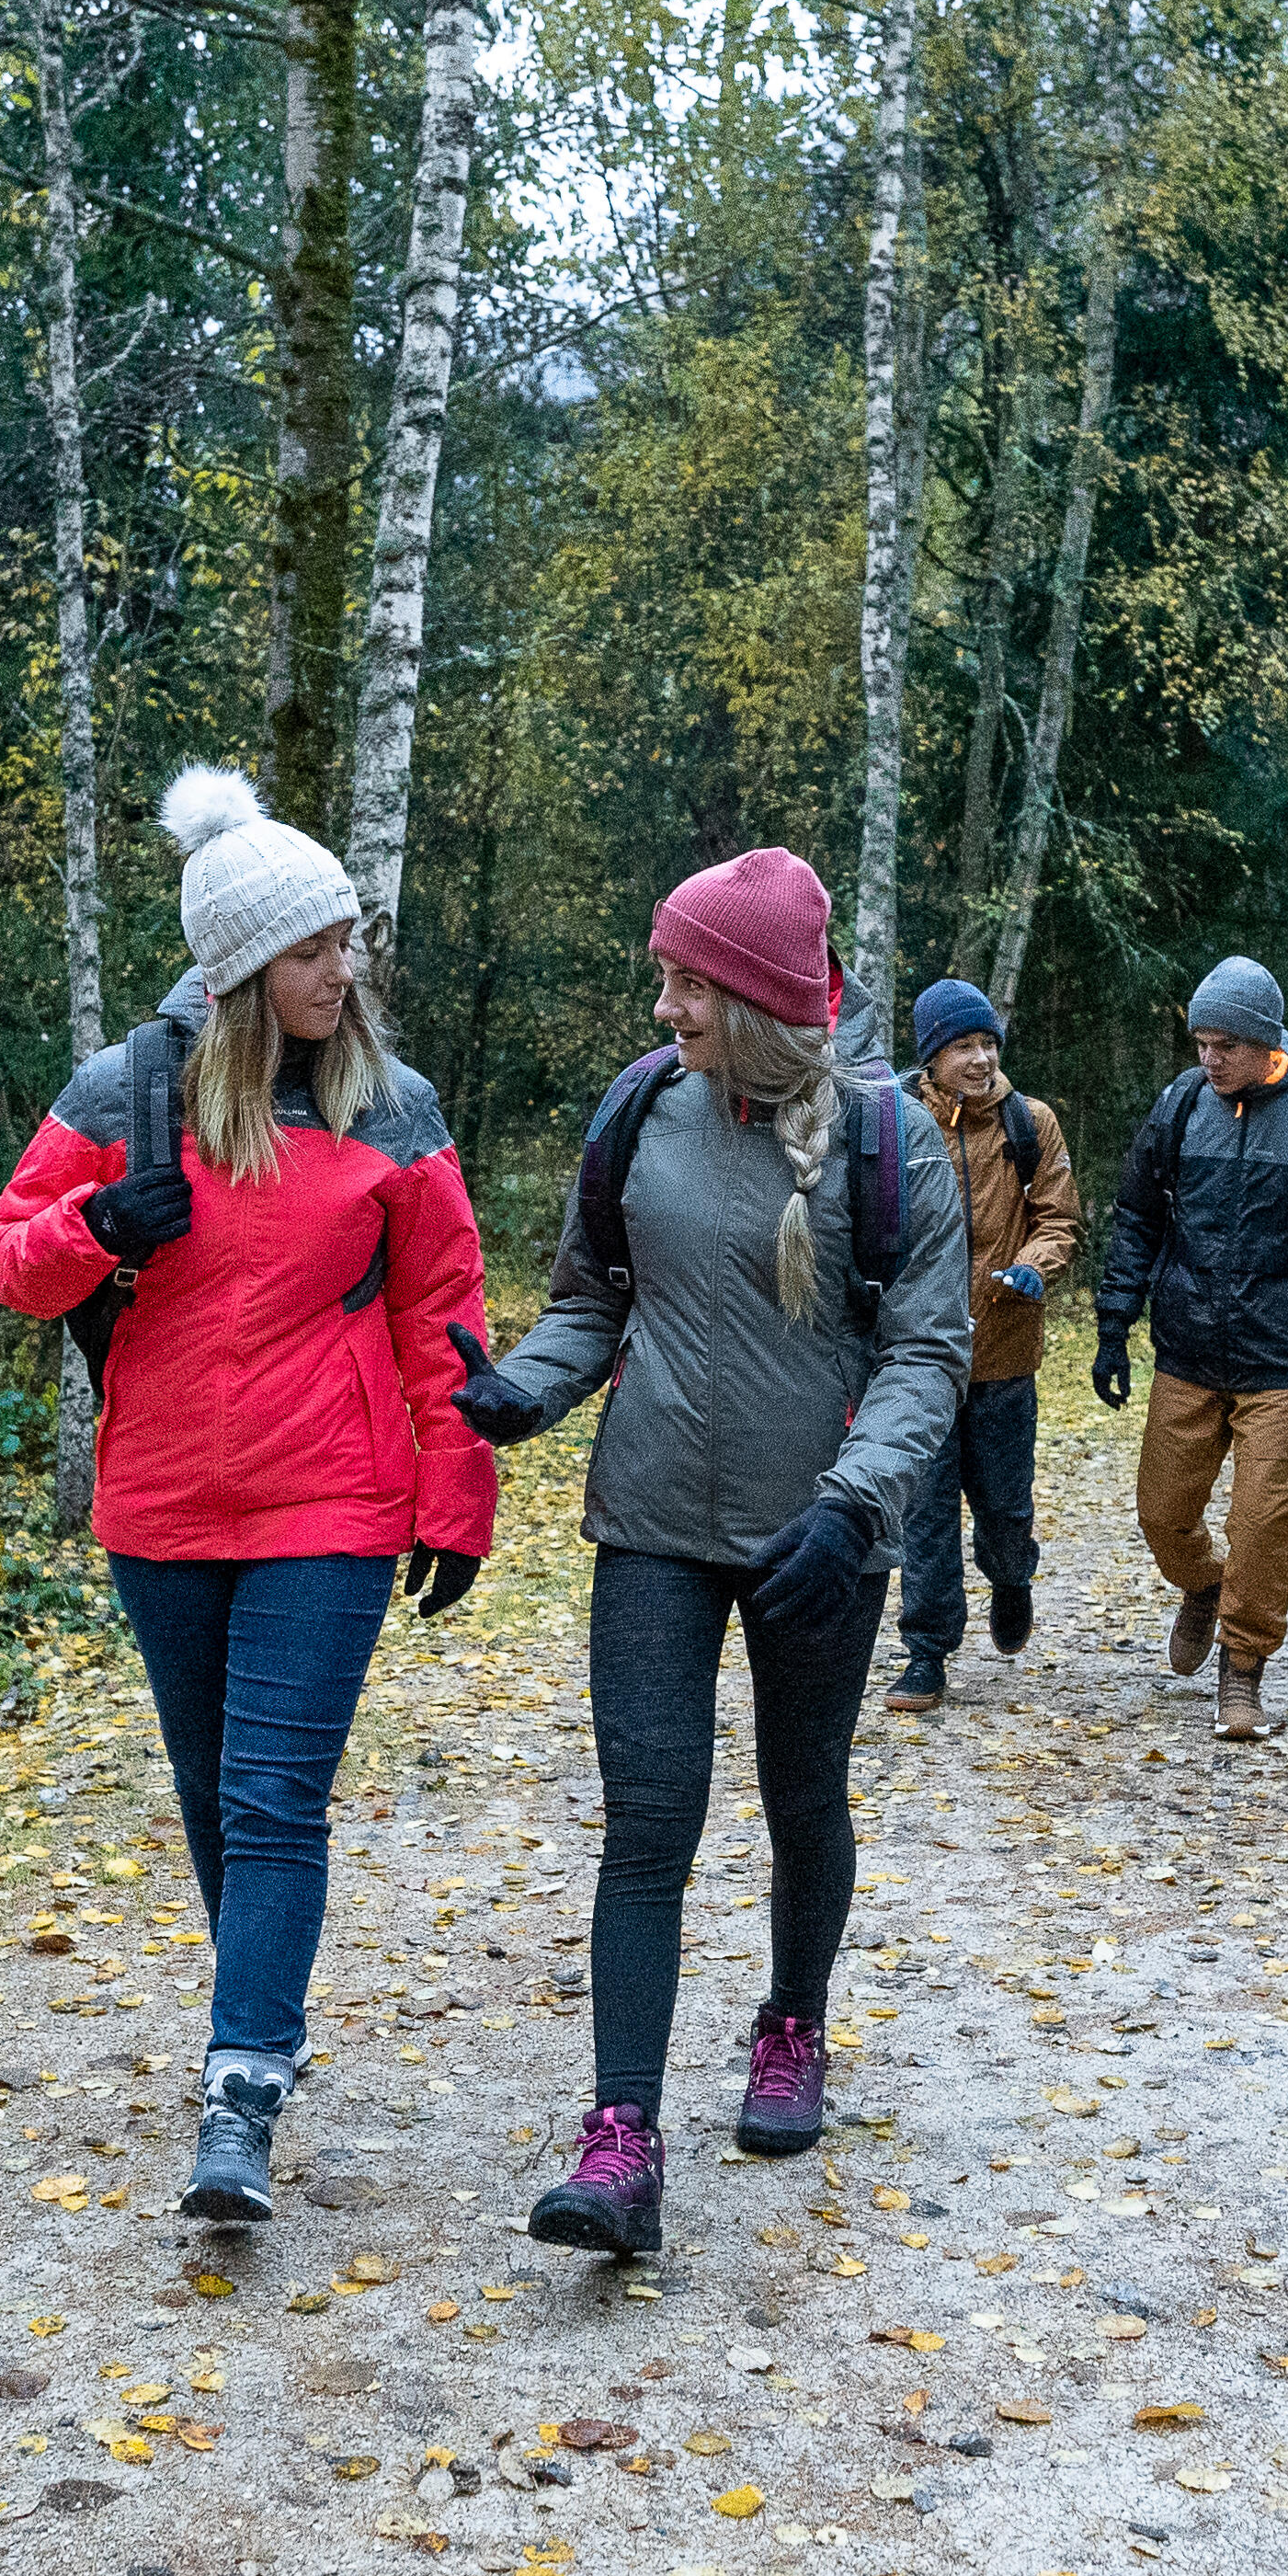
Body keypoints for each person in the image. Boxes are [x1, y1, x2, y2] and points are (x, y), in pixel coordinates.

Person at [0, 768, 497, 2224]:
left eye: (348, 942)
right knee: (216, 1797)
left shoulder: (393, 1109)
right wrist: (94, 1222)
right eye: (316, 949)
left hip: (330, 1504)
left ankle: (243, 2083)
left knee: (274, 1800)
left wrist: (454, 1496)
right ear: (240, 967)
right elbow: (10, 1256)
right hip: (163, 1507)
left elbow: (441, 1312)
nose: (347, 969)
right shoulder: (124, 1095)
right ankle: (257, 2011)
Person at [450, 848, 970, 2255]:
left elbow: (929, 1350)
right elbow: (594, 1299)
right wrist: (522, 1388)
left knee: (803, 1798)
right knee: (648, 1822)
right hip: (654, 1526)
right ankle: (620, 2142)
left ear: (748, 993)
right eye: (667, 974)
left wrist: (856, 1504)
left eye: (686, 979)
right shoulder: (639, 1108)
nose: (663, 999)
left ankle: (792, 2024)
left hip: (819, 1537)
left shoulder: (887, 1137)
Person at [1090, 950, 1288, 1744]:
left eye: (1224, 1045)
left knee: (1263, 1519)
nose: (1209, 1059)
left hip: (1283, 1361)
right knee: (1162, 1515)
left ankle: (1243, 1669)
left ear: (1267, 1042)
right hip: (1188, 1350)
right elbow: (1135, 1220)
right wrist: (1113, 1327)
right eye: (1200, 1043)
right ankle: (1204, 1586)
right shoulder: (1182, 1105)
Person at [883, 978, 1077, 1714]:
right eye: (963, 1045)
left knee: (1002, 1506)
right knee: (925, 1512)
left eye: (988, 1042)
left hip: (1003, 1351)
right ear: (931, 1057)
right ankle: (926, 1653)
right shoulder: (897, 1124)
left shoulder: (1032, 1125)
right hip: (919, 1356)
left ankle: (1011, 1575)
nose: (980, 1058)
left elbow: (1059, 1219)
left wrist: (1034, 1266)